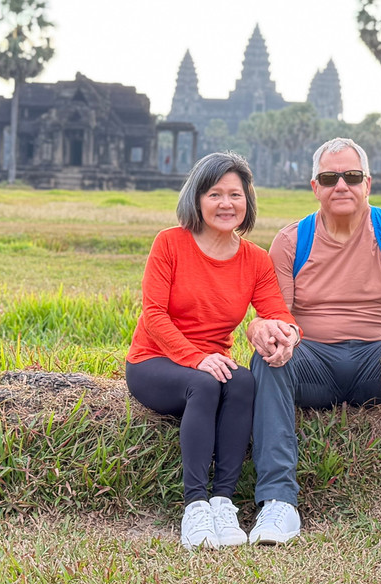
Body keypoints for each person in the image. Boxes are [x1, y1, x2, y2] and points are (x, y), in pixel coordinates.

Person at [246, 137, 381, 544]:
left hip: (379, 365)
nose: (341, 185)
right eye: (330, 178)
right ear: (315, 187)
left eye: (352, 176)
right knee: (268, 359)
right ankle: (278, 501)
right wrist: (265, 331)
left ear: (368, 183)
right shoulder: (292, 240)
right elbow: (277, 315)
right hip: (312, 364)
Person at [125, 152, 300, 550]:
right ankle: (195, 506)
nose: (226, 204)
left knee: (243, 381)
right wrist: (196, 358)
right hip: (155, 361)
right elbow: (153, 314)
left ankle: (223, 502)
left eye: (235, 195)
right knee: (204, 384)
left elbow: (276, 312)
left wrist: (286, 333)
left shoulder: (254, 259)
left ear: (247, 201)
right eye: (215, 194)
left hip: (211, 363)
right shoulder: (170, 243)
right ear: (197, 198)